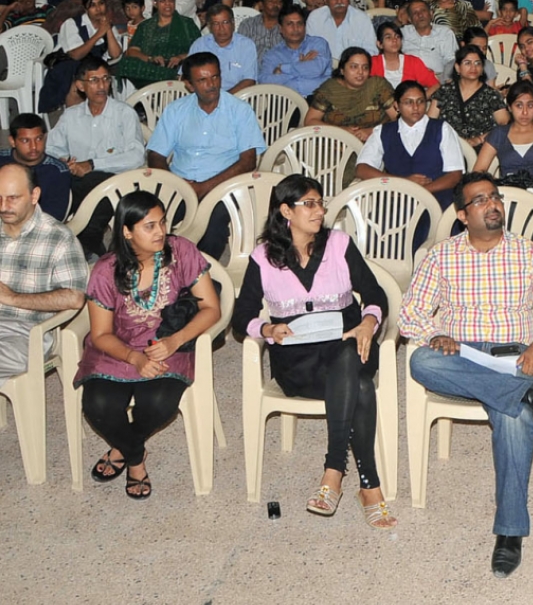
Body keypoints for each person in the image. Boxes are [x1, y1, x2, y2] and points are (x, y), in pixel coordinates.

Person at [402, 171, 533, 577]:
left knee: (513, 421)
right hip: (460, 358)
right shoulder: (442, 255)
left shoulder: (527, 253)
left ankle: (510, 532)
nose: (492, 204)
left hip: (513, 358)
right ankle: (532, 395)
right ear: (462, 215)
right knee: (420, 362)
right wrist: (435, 333)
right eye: (480, 200)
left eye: (495, 197)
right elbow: (410, 315)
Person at [232, 174, 396, 529]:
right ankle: (368, 486)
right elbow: (241, 315)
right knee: (362, 388)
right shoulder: (263, 257)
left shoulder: (338, 244)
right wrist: (266, 329)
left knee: (348, 355)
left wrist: (369, 322)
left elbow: (375, 294)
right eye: (309, 204)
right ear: (285, 211)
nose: (320, 211)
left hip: (350, 346)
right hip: (298, 362)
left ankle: (333, 472)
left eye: (321, 203)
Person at [69, 191, 215, 499]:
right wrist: (135, 359)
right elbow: (101, 334)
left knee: (159, 404)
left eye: (162, 222)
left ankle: (122, 449)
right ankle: (135, 457)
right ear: (127, 231)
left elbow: (212, 309)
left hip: (168, 343)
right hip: (117, 348)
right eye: (149, 226)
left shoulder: (182, 252)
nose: (161, 231)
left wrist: (175, 340)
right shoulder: (106, 270)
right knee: (99, 406)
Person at [146, 54, 265, 260]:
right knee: (147, 219)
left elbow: (248, 161)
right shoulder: (176, 111)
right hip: (179, 184)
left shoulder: (239, 111)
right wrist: (177, 184)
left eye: (215, 77)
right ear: (189, 85)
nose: (211, 85)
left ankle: (201, 275)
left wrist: (204, 187)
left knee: (213, 225)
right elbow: (156, 155)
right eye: (202, 80)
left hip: (223, 186)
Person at [45, 57, 147, 256]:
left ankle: (84, 238)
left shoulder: (124, 113)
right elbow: (50, 147)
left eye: (106, 79)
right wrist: (67, 160)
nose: (102, 86)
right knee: (50, 176)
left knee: (93, 182)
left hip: (116, 178)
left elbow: (136, 156)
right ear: (80, 86)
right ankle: (77, 236)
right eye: (94, 80)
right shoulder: (71, 116)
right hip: (77, 177)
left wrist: (92, 164)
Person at [0, 163, 87, 391]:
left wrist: (13, 298)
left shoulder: (58, 238)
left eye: (13, 198)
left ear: (34, 195)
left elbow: (74, 298)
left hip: (27, 334)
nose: (3, 206)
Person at [354, 80, 464, 214]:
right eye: (408, 102)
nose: (416, 107)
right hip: (397, 199)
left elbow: (455, 175)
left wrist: (420, 191)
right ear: (396, 106)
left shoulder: (441, 128)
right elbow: (362, 168)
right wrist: (402, 183)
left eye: (420, 101)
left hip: (437, 198)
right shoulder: (383, 132)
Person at [41, 0, 123, 111]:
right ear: (85, 8)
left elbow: (116, 54)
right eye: (93, 5)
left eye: (101, 4)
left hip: (93, 69)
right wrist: (98, 34)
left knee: (93, 77)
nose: (98, 9)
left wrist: (108, 30)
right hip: (70, 66)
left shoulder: (108, 26)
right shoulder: (71, 24)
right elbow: (75, 55)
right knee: (77, 87)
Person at [304, 47, 397, 144]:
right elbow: (310, 121)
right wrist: (340, 131)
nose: (360, 72)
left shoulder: (378, 86)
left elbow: (399, 118)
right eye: (354, 67)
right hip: (335, 146)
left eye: (365, 67)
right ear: (342, 70)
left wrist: (373, 131)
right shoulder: (330, 89)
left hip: (376, 144)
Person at [114, 0, 199, 88]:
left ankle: (174, 77)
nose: (167, 4)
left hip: (179, 65)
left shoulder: (187, 24)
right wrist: (150, 58)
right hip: (152, 66)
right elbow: (132, 51)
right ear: (155, 3)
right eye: (162, 0)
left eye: (171, 0)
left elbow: (200, 48)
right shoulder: (145, 26)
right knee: (126, 63)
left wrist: (180, 57)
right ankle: (170, 80)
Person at [429, 44, 511, 147]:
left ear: (482, 69)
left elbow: (503, 124)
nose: (473, 67)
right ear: (458, 68)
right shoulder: (444, 91)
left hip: (482, 148)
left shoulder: (491, 95)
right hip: (446, 146)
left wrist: (479, 139)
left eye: (478, 63)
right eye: (467, 63)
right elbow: (430, 123)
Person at [0, 114, 72, 222]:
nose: (33, 146)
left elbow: (53, 216)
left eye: (38, 139)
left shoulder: (57, 171)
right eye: (25, 141)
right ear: (12, 141)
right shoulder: (2, 159)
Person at [259, 4, 333, 98]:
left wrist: (283, 69)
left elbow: (316, 69)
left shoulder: (318, 44)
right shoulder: (272, 55)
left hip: (319, 99)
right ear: (280, 29)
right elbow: (265, 81)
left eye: (299, 23)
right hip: (286, 102)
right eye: (290, 24)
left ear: (305, 26)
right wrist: (301, 66)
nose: (295, 29)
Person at [187, 5, 257, 94]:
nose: (221, 28)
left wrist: (223, 99)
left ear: (233, 23)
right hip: (204, 98)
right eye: (216, 24)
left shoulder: (246, 45)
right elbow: (185, 76)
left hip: (236, 98)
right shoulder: (200, 45)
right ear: (209, 26)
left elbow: (249, 80)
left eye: (225, 22)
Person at [306, 0, 376, 57]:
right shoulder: (315, 18)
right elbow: (310, 51)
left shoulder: (362, 19)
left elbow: (371, 52)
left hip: (354, 67)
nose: (339, 1)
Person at [370, 20, 438, 94]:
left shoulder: (413, 62)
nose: (394, 40)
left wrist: (421, 99)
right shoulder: (372, 63)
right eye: (388, 37)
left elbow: (435, 85)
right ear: (379, 44)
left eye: (397, 36)